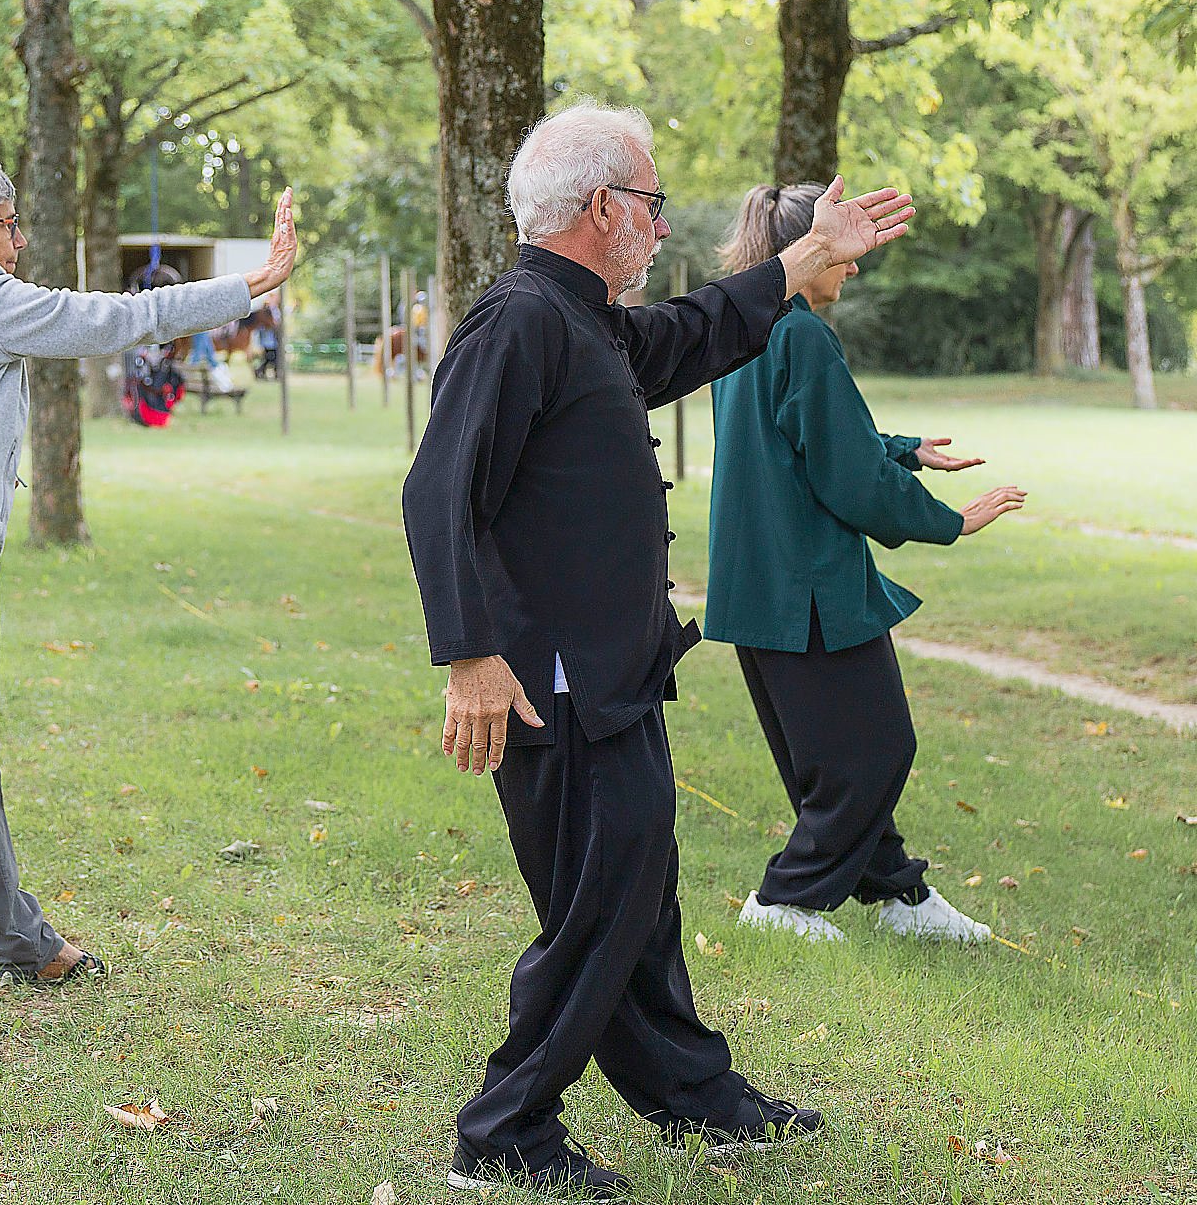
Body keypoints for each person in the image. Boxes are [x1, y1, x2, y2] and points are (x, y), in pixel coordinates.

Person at [402, 103, 915, 1198]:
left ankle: (690, 1091)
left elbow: (692, 330)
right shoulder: (518, 322)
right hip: (552, 686)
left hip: (614, 676)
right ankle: (502, 1127)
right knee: (604, 902)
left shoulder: (585, 320)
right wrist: (467, 656)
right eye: (648, 201)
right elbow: (439, 489)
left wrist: (801, 258)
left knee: (639, 892)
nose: (658, 222)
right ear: (600, 208)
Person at [0, 147, 296, 1020]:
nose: (19, 239)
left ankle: (22, 943)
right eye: (6, 223)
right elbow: (115, 320)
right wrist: (251, 283)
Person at [704, 183, 1025, 946]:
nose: (855, 266)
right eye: (845, 246)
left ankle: (898, 895)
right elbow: (847, 477)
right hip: (808, 587)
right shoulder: (804, 334)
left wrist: (906, 450)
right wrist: (952, 521)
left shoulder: (740, 329)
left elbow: (801, 443)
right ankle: (784, 899)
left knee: (832, 754)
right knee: (878, 748)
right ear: (806, 248)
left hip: (759, 586)